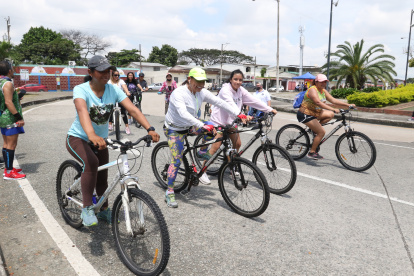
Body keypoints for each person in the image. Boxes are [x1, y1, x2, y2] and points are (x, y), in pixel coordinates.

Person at [66, 55, 159, 226]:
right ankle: (87, 207)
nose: (106, 74)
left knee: (103, 177)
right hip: (78, 138)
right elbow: (82, 111)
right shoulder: (81, 89)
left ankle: (103, 210)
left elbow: (132, 109)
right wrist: (92, 135)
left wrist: (149, 128)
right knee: (91, 163)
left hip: (100, 140)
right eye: (101, 71)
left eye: (108, 70)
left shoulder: (113, 90)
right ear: (90, 72)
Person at [163, 67, 243, 208]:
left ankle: (201, 152)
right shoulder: (178, 93)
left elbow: (221, 103)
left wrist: (238, 113)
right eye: (198, 81)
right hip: (174, 129)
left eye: (203, 81)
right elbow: (182, 113)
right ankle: (169, 191)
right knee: (176, 160)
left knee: (213, 128)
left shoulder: (201, 92)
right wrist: (201, 124)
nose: (201, 84)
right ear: (189, 79)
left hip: (190, 125)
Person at [198, 70, 277, 183]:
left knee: (237, 144)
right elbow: (230, 103)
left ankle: (231, 165)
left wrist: (269, 109)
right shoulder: (225, 90)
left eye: (240, 80)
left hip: (232, 121)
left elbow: (253, 100)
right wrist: (241, 115)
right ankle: (202, 171)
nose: (238, 82)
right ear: (231, 80)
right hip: (219, 121)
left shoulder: (240, 90)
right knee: (215, 148)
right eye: (235, 79)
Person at [297, 74, 355, 160]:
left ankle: (314, 129)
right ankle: (312, 152)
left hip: (315, 113)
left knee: (330, 114)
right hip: (305, 114)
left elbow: (333, 100)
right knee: (321, 132)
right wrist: (333, 109)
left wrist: (347, 105)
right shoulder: (313, 90)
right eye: (321, 82)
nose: (323, 83)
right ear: (316, 82)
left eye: (325, 82)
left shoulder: (323, 91)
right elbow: (318, 102)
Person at [0, 60, 26, 179]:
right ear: (9, 70)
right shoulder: (8, 83)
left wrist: (18, 95)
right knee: (11, 144)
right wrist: (18, 117)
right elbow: (8, 102)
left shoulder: (1, 82)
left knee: (6, 144)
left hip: (3, 116)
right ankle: (9, 172)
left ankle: (8, 168)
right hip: (10, 118)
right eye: (13, 68)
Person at [107, 70, 132, 134]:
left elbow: (124, 87)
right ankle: (110, 124)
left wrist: (127, 92)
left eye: (118, 75)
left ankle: (127, 127)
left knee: (123, 112)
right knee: (110, 110)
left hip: (120, 98)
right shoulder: (109, 82)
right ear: (112, 76)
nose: (117, 76)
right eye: (115, 75)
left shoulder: (121, 81)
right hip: (112, 97)